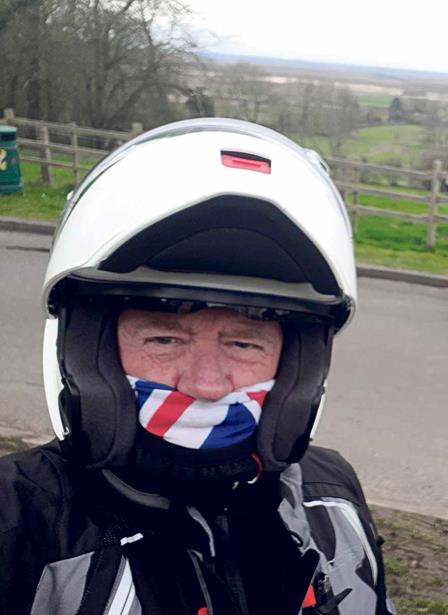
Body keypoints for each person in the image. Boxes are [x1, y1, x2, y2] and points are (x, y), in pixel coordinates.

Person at [0, 119, 395, 614]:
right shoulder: (19, 520)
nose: (207, 383)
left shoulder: (330, 497)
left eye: (244, 344)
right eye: (164, 338)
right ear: (86, 348)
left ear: (300, 364)